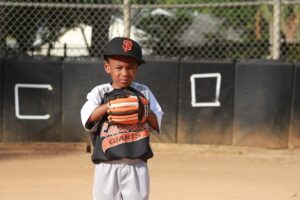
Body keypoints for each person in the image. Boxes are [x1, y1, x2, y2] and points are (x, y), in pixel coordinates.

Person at [80, 37, 163, 200]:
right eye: (118, 67)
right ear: (107, 67)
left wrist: (143, 109)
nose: (125, 73)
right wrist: (110, 107)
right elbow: (88, 119)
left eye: (130, 68)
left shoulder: (143, 93)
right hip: (106, 165)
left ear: (137, 69)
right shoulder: (100, 92)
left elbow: (157, 122)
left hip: (137, 165)